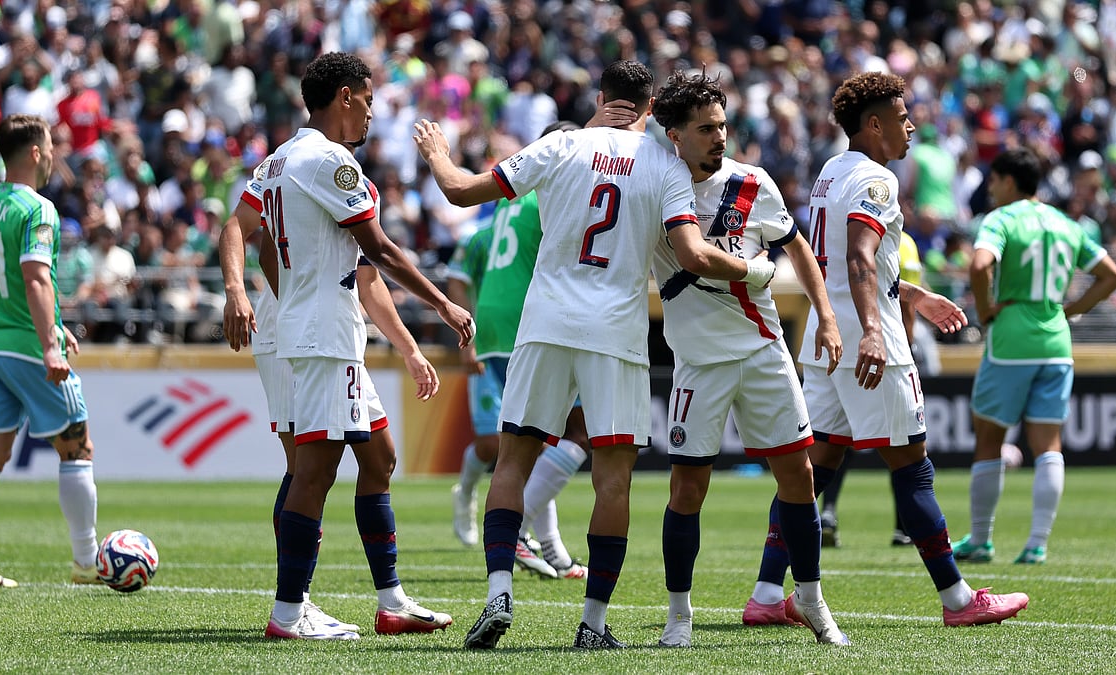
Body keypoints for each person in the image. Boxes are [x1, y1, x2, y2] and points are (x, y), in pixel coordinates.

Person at [413, 60, 776, 650]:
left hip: (546, 322)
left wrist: (434, 151)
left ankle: (499, 595)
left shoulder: (562, 144)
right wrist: (757, 270)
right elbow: (692, 254)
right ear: (651, 106)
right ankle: (593, 624)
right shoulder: (667, 164)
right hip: (615, 331)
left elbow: (458, 190)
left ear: (603, 98)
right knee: (612, 478)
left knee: (512, 461)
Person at [218, 51, 474, 640]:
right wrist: (441, 303)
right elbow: (378, 251)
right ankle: (289, 612)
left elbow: (248, 235)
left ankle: (391, 602)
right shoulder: (332, 163)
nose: (370, 113)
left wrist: (280, 293)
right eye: (367, 99)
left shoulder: (278, 161)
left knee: (378, 458)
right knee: (314, 471)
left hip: (322, 330)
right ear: (345, 96)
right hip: (324, 336)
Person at [762, 72, 1030, 627]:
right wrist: (876, 330)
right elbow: (859, 258)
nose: (912, 125)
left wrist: (911, 291)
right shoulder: (877, 181)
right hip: (868, 342)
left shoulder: (831, 171)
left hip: (823, 337)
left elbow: (841, 260)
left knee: (814, 469)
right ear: (875, 124)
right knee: (912, 467)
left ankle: (766, 597)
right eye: (903, 116)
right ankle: (958, 599)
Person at [646, 71, 848, 647]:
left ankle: (808, 598)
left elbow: (798, 247)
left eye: (723, 125)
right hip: (698, 363)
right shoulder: (656, 185)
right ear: (674, 135)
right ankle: (679, 617)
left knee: (799, 476)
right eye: (706, 128)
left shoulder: (752, 182)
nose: (719, 137)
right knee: (687, 490)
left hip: (762, 350)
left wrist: (826, 316)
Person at [952, 147, 1116, 565]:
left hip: (1011, 339)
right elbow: (1112, 276)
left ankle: (981, 539)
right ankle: (1037, 543)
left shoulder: (1001, 220)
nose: (990, 188)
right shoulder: (1065, 223)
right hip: (1057, 341)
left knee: (989, 440)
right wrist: (1072, 311)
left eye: (993, 180)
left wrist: (986, 308)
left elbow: (979, 266)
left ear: (1009, 182)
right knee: (1049, 446)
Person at [0, 114, 102, 588]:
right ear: (33, 152)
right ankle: (88, 562)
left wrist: (58, 326)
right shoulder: (38, 208)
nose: (52, 156)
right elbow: (35, 276)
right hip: (27, 347)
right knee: (78, 447)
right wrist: (50, 343)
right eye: (49, 147)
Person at [445, 159, 591, 580]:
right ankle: (514, 528)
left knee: (529, 443)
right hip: (520, 329)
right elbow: (459, 275)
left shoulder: (505, 206)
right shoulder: (544, 203)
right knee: (534, 441)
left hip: (498, 331)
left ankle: (548, 546)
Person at [815, 230, 932, 550]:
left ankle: (826, 513)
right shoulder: (902, 241)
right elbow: (895, 300)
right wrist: (904, 347)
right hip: (881, 347)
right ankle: (903, 529)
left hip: (835, 341)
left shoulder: (833, 229)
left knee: (833, 448)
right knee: (908, 453)